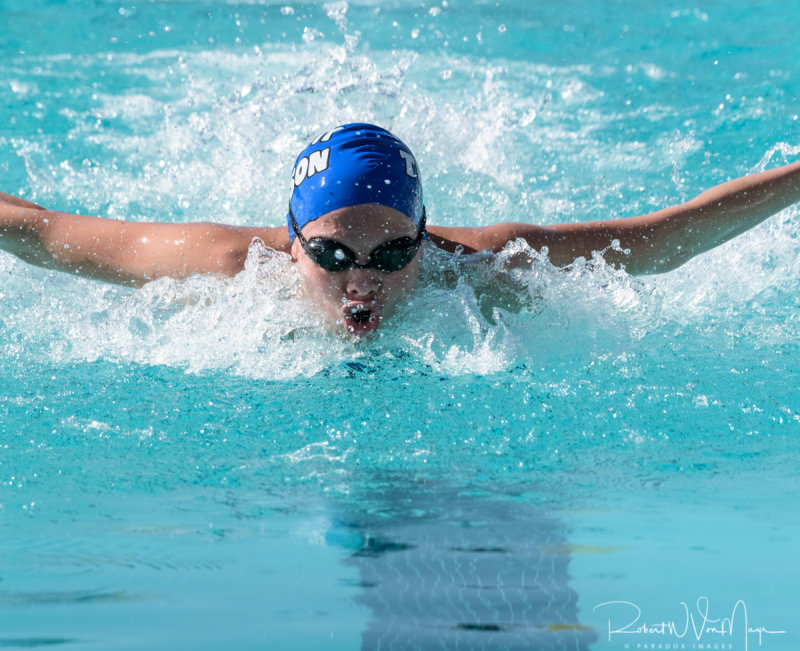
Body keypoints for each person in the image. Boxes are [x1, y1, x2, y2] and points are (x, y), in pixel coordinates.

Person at [2, 122, 799, 336]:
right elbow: (42, 234)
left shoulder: (481, 267)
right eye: (331, 253)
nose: (363, 279)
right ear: (292, 242)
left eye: (392, 253)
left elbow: (665, 238)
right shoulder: (229, 270)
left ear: (422, 239)